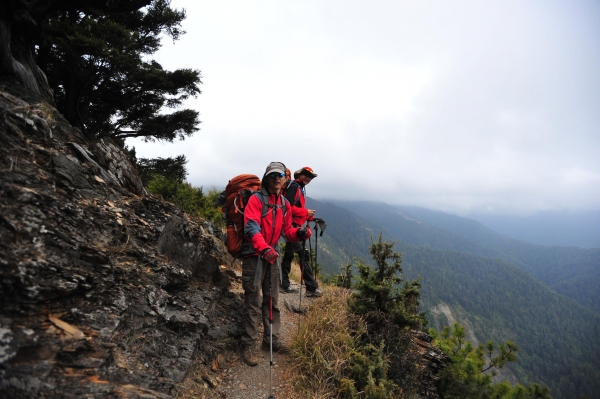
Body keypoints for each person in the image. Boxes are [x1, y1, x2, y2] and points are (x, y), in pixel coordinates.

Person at [240, 161, 311, 366]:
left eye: (281, 175)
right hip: (255, 256)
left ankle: (271, 341)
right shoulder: (255, 200)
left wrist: (298, 233)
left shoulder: (284, 204)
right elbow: (251, 228)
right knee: (253, 302)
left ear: (285, 179)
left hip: (271, 255)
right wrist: (264, 248)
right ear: (267, 178)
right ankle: (248, 345)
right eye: (274, 175)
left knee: (272, 301)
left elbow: (286, 231)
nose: (278, 179)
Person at [280, 166, 323, 297]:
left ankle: (283, 284)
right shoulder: (294, 187)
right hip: (293, 229)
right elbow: (287, 207)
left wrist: (309, 217)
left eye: (310, 177)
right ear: (299, 175)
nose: (308, 178)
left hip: (295, 226)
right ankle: (311, 288)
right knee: (304, 256)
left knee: (289, 255)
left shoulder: (298, 187)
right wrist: (305, 212)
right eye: (306, 175)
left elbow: (295, 208)